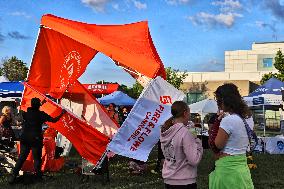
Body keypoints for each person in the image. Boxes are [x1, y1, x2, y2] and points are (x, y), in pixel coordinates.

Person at [9, 97, 66, 184]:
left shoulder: (26, 112)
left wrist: (41, 103)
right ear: (38, 105)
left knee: (21, 158)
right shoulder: (41, 114)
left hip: (25, 137)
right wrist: (62, 113)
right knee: (37, 159)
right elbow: (54, 120)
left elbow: (33, 109)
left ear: (31, 105)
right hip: (36, 139)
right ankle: (38, 177)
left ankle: (13, 176)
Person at [209, 83, 254, 189]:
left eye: (218, 101)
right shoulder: (249, 118)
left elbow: (218, 145)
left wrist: (217, 123)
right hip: (242, 166)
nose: (218, 104)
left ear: (223, 101)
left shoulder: (228, 120)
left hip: (227, 170)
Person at [160, 101, 203, 189]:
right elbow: (194, 160)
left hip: (169, 180)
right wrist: (198, 143)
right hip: (184, 181)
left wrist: (191, 130)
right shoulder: (185, 132)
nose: (190, 116)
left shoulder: (165, 130)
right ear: (185, 113)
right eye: (189, 113)